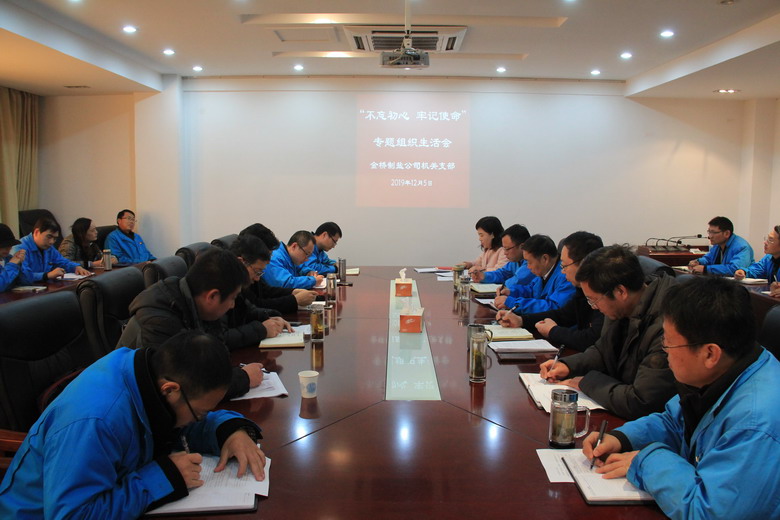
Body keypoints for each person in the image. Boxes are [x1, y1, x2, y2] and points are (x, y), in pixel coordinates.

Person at [0, 331, 266, 519]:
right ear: (170, 389)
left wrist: (228, 430)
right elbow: (73, 515)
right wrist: (164, 478)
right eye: (200, 413)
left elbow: (178, 418)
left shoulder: (148, 374)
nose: (200, 418)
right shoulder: (95, 422)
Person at [583, 277, 780, 520]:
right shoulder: (726, 369)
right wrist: (622, 438)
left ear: (710, 354)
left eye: (668, 343)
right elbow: (674, 421)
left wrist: (645, 461)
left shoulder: (755, 423)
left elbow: (709, 513)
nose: (664, 351)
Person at [540, 245, 676, 420]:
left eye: (593, 300)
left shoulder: (668, 325)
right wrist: (569, 365)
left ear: (620, 292)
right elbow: (603, 349)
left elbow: (641, 401)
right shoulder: (621, 308)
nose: (594, 307)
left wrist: (587, 382)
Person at [118, 248, 265, 399]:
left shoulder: (198, 306)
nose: (233, 305)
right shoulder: (160, 320)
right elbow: (184, 388)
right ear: (212, 296)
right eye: (233, 298)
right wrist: (243, 378)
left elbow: (218, 358)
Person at [497, 231, 604, 352]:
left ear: (585, 265)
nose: (562, 271)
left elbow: (591, 339)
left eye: (564, 265)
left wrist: (553, 331)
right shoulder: (580, 290)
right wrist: (521, 320)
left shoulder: (604, 295)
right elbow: (563, 314)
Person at [226, 235, 293, 341]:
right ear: (241, 262)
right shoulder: (221, 285)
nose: (257, 279)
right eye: (257, 272)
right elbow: (220, 338)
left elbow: (247, 310)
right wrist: (262, 330)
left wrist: (270, 317)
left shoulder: (237, 284)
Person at [239, 223, 317, 312]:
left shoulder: (252, 266)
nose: (269, 260)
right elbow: (256, 305)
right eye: (268, 255)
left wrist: (293, 292)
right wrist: (294, 300)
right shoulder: (239, 275)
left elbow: (265, 290)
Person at [493, 234, 575, 314]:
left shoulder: (566, 276)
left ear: (545, 259)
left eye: (529, 262)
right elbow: (531, 290)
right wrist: (510, 292)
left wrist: (513, 303)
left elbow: (554, 307)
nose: (528, 267)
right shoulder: (544, 271)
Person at [15, 217, 91, 285]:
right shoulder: (20, 248)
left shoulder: (49, 247)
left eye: (55, 238)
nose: (52, 242)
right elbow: (22, 277)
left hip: (42, 288)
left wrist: (76, 267)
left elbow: (62, 262)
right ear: (36, 232)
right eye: (49, 236)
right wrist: (47, 275)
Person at [470, 224, 535, 291]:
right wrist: (484, 276)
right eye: (504, 248)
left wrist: (503, 285)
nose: (505, 253)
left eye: (507, 249)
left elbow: (517, 280)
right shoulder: (515, 261)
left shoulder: (532, 263)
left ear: (522, 247)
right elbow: (502, 273)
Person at [688, 216, 753, 275]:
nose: (710, 236)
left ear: (727, 233)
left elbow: (735, 269)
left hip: (735, 283)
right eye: (709, 232)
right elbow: (708, 258)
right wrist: (698, 262)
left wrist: (705, 269)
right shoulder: (718, 244)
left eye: (713, 232)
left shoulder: (742, 247)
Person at [734, 224, 780, 297]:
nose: (765, 243)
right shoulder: (768, 258)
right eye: (767, 239)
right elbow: (756, 270)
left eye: (770, 240)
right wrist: (743, 272)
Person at [0, 224, 25, 291]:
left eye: (10, 245)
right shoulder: (11, 262)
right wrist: (12, 265)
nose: (9, 248)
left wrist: (19, 264)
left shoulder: (8, 258)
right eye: (4, 246)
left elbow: (27, 281)